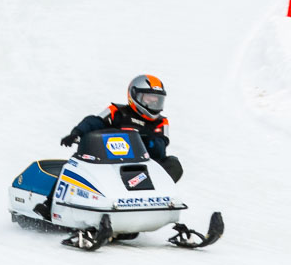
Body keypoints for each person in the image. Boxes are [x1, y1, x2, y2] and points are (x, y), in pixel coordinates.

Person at [34, 75, 182, 221]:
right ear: (135, 96)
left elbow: (160, 147)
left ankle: (158, 201)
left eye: (157, 99)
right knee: (73, 164)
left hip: (143, 165)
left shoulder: (161, 122)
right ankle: (49, 204)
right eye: (149, 98)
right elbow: (94, 121)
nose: (154, 102)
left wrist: (146, 139)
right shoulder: (116, 111)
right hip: (108, 160)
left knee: (173, 164)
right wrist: (76, 133)